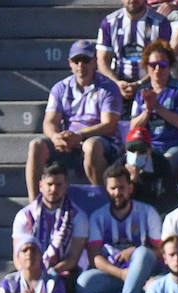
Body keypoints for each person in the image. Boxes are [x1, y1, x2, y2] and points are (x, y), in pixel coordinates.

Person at [26, 40, 121, 200]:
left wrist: (80, 135)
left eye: (86, 60)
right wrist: (56, 136)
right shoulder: (60, 88)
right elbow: (49, 122)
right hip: (68, 141)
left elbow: (109, 125)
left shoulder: (108, 87)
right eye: (76, 60)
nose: (81, 65)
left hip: (100, 141)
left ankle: (103, 201)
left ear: (95, 62)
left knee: (91, 146)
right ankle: (34, 205)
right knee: (36, 145)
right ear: (70, 63)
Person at [76, 163, 163, 293]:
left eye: (121, 188)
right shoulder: (98, 217)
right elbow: (94, 257)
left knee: (143, 252)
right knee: (84, 283)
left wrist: (135, 251)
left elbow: (160, 251)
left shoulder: (147, 212)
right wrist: (121, 274)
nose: (117, 193)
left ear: (130, 188)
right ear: (106, 190)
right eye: (112, 188)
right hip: (114, 273)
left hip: (144, 273)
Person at [128, 41, 178, 202]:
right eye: (153, 65)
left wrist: (157, 107)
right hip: (149, 147)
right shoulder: (142, 92)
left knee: (165, 163)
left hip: (174, 144)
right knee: (133, 163)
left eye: (162, 65)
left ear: (169, 66)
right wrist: (148, 111)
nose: (157, 69)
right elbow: (133, 127)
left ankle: (165, 202)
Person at [12, 164, 89, 288]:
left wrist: (50, 272)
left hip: (63, 271)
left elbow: (73, 258)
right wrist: (30, 273)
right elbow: (17, 256)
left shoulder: (78, 216)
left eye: (59, 185)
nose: (54, 189)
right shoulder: (24, 216)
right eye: (49, 184)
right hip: (29, 271)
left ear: (65, 187)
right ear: (41, 186)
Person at [97, 0, 172, 106]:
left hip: (151, 82)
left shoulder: (160, 23)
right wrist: (117, 83)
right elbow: (102, 61)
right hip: (118, 82)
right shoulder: (109, 22)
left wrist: (139, 84)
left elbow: (165, 61)